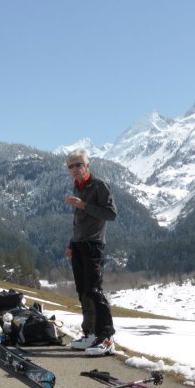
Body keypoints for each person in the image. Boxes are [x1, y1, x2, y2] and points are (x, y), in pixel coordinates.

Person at [64, 149, 118, 356]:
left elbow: (111, 214)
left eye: (79, 164)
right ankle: (90, 334)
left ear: (87, 166)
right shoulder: (78, 186)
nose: (75, 169)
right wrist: (71, 243)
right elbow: (79, 220)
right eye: (71, 166)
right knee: (83, 290)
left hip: (94, 245)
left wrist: (83, 205)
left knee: (95, 290)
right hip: (79, 244)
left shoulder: (99, 185)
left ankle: (106, 337)